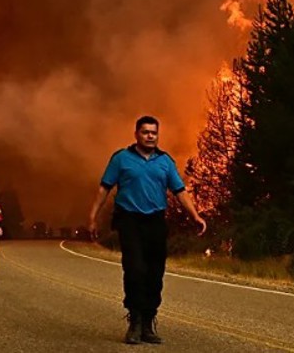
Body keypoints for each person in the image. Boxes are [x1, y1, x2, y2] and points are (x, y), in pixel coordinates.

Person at [88, 116, 207, 345]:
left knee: (155, 273)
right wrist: (92, 217)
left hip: (155, 221)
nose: (150, 136)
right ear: (136, 134)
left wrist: (195, 215)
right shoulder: (121, 159)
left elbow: (180, 191)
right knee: (134, 269)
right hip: (129, 220)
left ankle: (149, 322)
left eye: (154, 132)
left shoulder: (165, 162)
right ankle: (135, 321)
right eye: (145, 132)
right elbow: (104, 189)